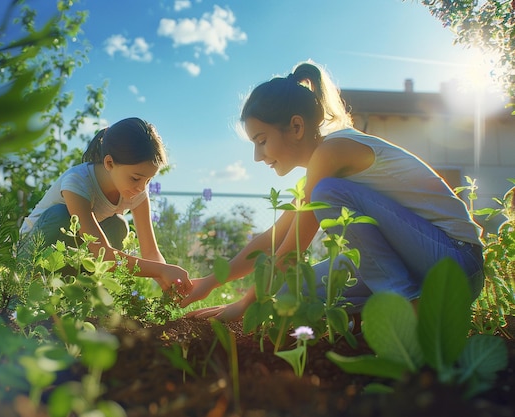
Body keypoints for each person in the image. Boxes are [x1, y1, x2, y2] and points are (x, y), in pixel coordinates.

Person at [180, 60, 484, 320]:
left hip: (454, 263)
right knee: (286, 296)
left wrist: (245, 303)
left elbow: (292, 250)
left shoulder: (333, 152)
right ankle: (381, 314)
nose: (257, 156)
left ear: (296, 127)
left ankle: (406, 312)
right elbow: (273, 238)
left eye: (261, 140)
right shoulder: (320, 169)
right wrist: (210, 282)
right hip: (418, 265)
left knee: (327, 193)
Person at [20, 117, 191, 294]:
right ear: (109, 163)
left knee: (117, 224)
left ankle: (83, 297)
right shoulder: (78, 182)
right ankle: (26, 294)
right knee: (61, 214)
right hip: (32, 257)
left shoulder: (136, 191)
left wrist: (170, 283)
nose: (142, 187)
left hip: (73, 258)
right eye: (136, 178)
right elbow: (100, 253)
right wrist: (162, 270)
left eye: (149, 180)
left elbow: (150, 252)